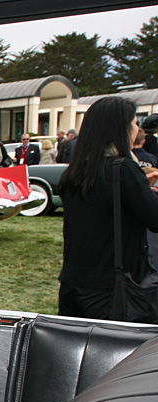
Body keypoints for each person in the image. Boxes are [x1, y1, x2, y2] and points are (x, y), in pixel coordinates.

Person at [57, 96, 158, 321]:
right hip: (111, 288)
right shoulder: (123, 170)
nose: (137, 129)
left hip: (74, 283)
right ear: (119, 128)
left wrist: (142, 188)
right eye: (133, 123)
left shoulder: (75, 172)